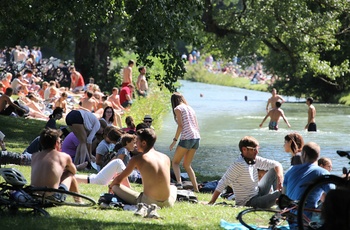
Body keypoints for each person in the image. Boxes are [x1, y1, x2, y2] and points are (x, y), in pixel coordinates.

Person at [207, 136, 283, 208]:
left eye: (257, 148)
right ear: (244, 149)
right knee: (285, 192)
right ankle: (280, 199)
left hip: (257, 192)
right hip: (249, 202)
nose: (257, 152)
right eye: (254, 149)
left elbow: (276, 164)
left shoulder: (253, 159)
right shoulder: (239, 164)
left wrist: (280, 179)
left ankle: (279, 199)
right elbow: (223, 182)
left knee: (274, 170)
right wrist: (211, 202)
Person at [109, 128, 177, 208]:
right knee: (173, 187)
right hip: (168, 203)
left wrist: (110, 186)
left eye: (137, 141)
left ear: (144, 143)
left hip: (148, 202)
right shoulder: (166, 157)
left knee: (114, 186)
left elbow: (119, 179)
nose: (135, 144)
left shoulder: (138, 158)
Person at [283, 142, 332, 212]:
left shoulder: (290, 171)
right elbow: (334, 195)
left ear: (304, 155)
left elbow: (284, 194)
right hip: (308, 218)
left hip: (291, 218)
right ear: (317, 156)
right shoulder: (323, 173)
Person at [31, 128, 80, 195]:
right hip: (52, 197)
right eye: (60, 141)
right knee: (69, 174)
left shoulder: (34, 156)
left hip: (34, 195)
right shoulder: (63, 156)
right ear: (56, 143)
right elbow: (74, 171)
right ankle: (79, 201)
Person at [169, 92, 200, 192]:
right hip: (196, 137)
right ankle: (196, 188)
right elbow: (196, 125)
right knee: (187, 165)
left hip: (187, 137)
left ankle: (179, 183)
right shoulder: (190, 108)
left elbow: (180, 125)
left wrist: (174, 141)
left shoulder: (178, 109)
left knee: (175, 162)